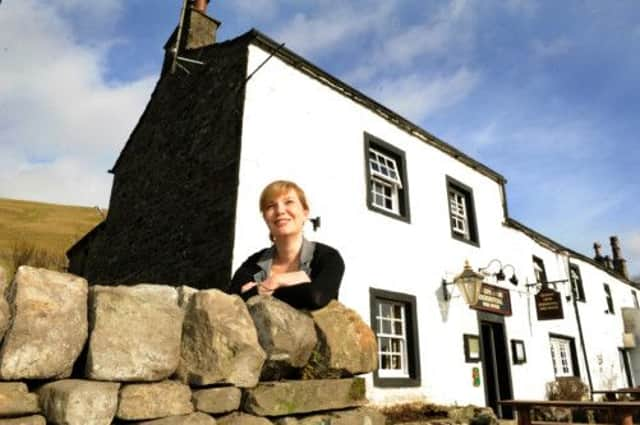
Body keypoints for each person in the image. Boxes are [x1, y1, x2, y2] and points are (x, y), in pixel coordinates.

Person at [228, 180, 344, 310]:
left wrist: (269, 284)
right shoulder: (253, 263)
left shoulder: (327, 257)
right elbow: (230, 304)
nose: (280, 211)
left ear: (305, 213)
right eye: (270, 206)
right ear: (265, 218)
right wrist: (290, 281)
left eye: (289, 202)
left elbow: (316, 297)